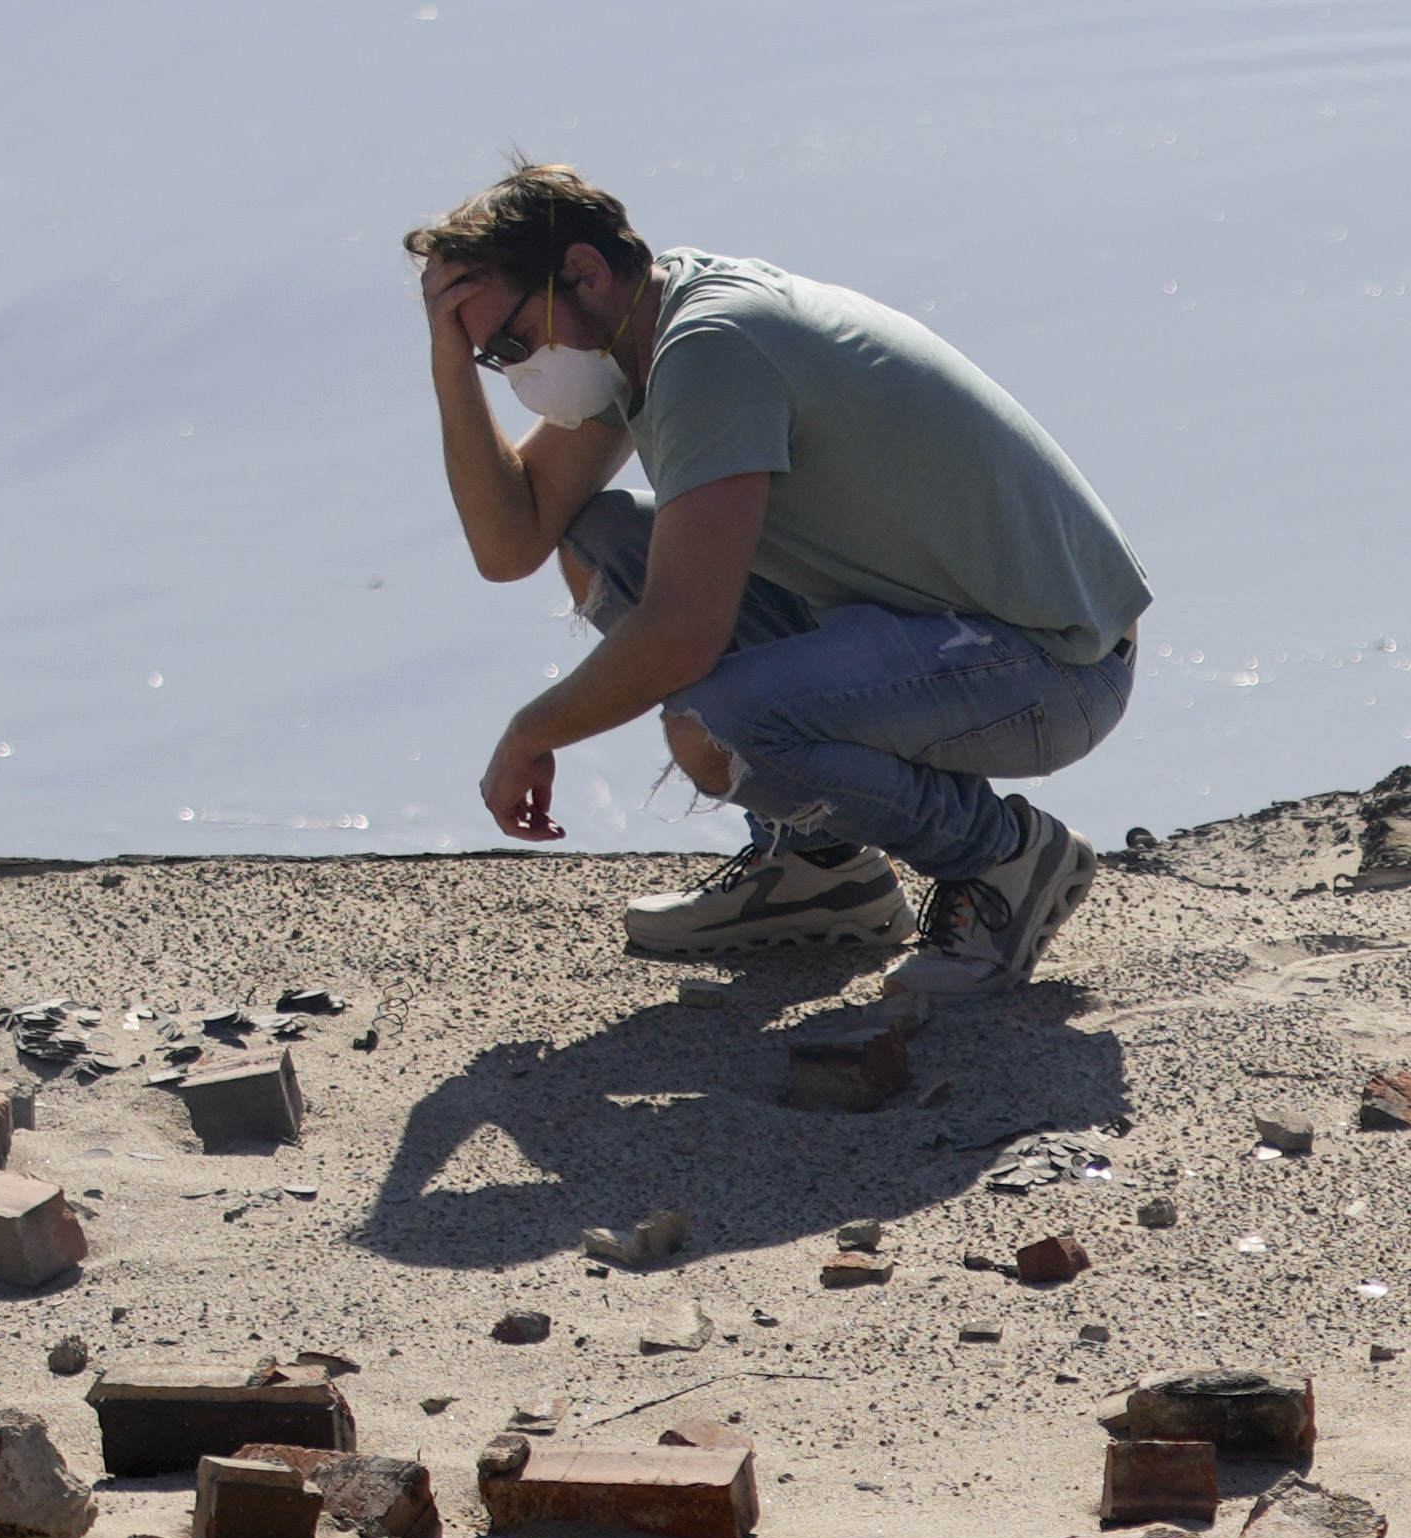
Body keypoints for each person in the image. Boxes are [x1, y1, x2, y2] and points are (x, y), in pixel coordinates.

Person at [408, 163, 1146, 998]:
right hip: (929, 627)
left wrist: (529, 733)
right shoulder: (636, 333)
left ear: (582, 272)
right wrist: (450, 368)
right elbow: (514, 542)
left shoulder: (710, 349)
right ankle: (818, 868)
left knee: (714, 726)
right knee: (598, 539)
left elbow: (683, 633)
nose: (513, 371)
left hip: (1052, 665)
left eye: (507, 344)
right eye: (488, 359)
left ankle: (1003, 860)